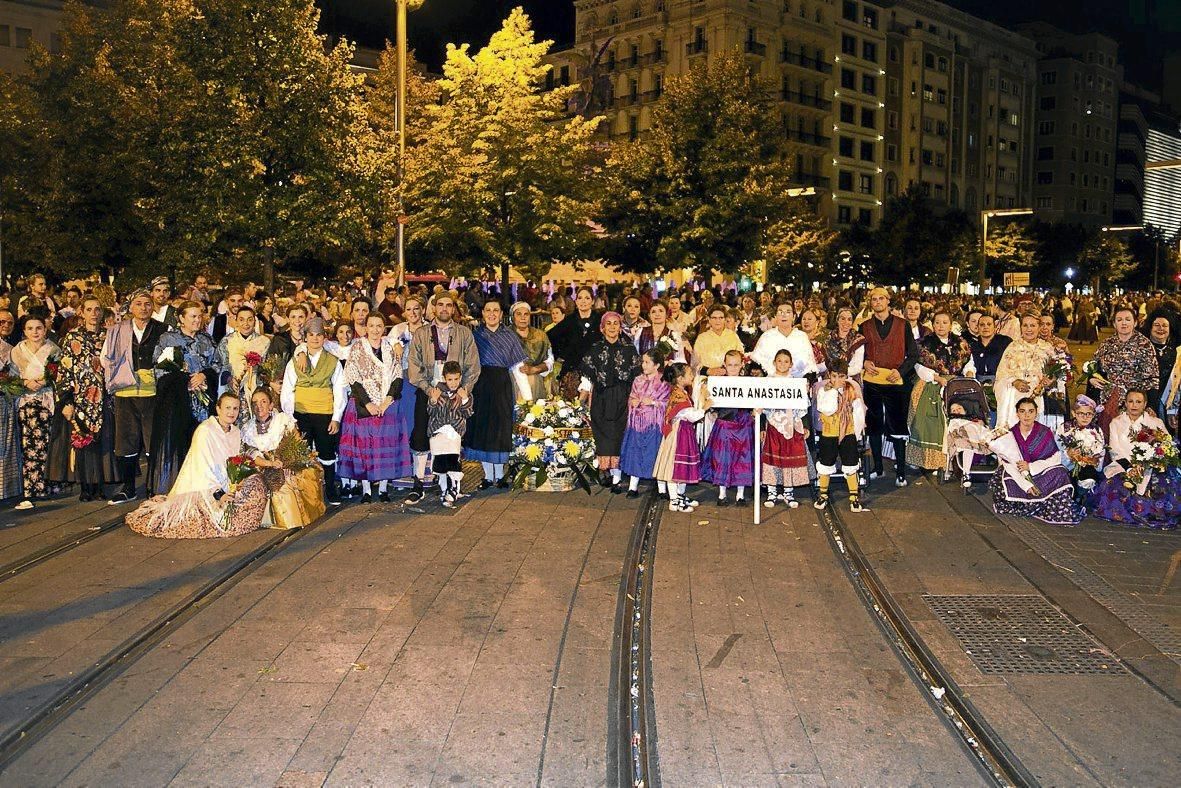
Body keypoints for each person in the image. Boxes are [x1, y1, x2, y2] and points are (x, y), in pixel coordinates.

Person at [126, 393, 277, 538]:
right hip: (205, 489)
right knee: (214, 521)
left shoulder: (235, 432)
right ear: (218, 409)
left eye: (235, 408)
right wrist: (220, 495)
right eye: (227, 408)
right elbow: (204, 469)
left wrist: (268, 462)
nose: (231, 412)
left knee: (257, 483)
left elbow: (246, 451)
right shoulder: (205, 430)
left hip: (228, 484)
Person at [406, 293, 480, 502]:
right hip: (429, 392)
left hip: (454, 396)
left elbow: (473, 366)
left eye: (449, 305)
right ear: (434, 308)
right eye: (440, 305)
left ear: (454, 309)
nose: (444, 309)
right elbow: (414, 367)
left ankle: (449, 485)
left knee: (451, 439)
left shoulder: (464, 333)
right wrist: (429, 390)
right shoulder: (421, 334)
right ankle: (418, 483)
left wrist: (464, 389)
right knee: (420, 437)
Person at [148, 301, 219, 496]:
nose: (198, 320)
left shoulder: (207, 339)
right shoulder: (167, 339)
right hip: (176, 404)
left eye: (200, 316)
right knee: (177, 447)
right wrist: (183, 381)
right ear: (181, 318)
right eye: (193, 316)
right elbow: (159, 370)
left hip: (203, 404)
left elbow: (218, 365)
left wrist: (205, 375)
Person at [103, 288, 167, 503]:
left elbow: (171, 359)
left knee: (153, 442)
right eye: (138, 304)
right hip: (125, 393)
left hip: (153, 394)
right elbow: (106, 357)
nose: (143, 308)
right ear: (130, 307)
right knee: (126, 442)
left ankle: (153, 486)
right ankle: (128, 487)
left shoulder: (164, 330)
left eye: (147, 304)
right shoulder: (117, 330)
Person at [339, 313, 408, 503]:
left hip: (388, 405)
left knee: (386, 446)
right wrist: (368, 403)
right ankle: (367, 490)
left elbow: (397, 375)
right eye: (372, 326)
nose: (375, 330)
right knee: (365, 448)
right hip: (363, 405)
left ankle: (384, 488)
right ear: (366, 328)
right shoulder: (357, 348)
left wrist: (387, 400)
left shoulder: (390, 348)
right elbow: (353, 378)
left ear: (384, 328)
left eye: (379, 326)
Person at [1091, 389, 1181, 529]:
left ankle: (1153, 512)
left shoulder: (1155, 422)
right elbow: (1115, 450)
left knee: (1161, 485)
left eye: (1138, 402)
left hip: (1150, 466)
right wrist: (1130, 468)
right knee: (1117, 486)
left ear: (1145, 404)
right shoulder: (1116, 422)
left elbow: (1166, 446)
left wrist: (1151, 461)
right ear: (1125, 403)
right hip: (1123, 465)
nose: (1134, 405)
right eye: (1131, 401)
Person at [280, 318, 347, 505]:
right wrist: (290, 417)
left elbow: (339, 391)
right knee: (302, 452)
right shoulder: (295, 361)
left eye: (319, 335)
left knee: (327, 452)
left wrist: (336, 417)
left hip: (324, 413)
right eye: (311, 335)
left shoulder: (333, 361)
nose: (315, 339)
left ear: (324, 338)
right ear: (305, 337)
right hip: (301, 413)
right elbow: (287, 388)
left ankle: (330, 487)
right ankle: (303, 490)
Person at [987, 398, 1085, 526]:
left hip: (1041, 473)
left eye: (1030, 411)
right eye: (1022, 411)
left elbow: (1054, 458)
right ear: (1017, 413)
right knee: (1002, 473)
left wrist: (1031, 467)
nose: (1026, 415)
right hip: (1018, 475)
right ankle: (1029, 504)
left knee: (1061, 472)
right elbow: (1008, 463)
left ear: (1036, 413)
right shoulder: (1010, 434)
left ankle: (1044, 506)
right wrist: (1026, 485)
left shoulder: (1045, 432)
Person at [859, 287, 919, 487]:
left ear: (888, 300)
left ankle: (900, 472)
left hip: (895, 381)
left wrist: (900, 371)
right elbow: (859, 355)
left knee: (897, 425)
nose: (877, 302)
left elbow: (913, 355)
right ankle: (878, 467)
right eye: (874, 299)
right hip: (872, 382)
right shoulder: (864, 326)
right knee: (874, 425)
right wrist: (865, 362)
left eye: (881, 298)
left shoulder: (903, 325)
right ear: (870, 303)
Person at [466, 301, 524, 489]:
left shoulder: (510, 336)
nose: (492, 314)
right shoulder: (475, 336)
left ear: (501, 314)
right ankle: (486, 476)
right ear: (482, 313)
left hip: (502, 386)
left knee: (500, 428)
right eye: (488, 310)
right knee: (482, 428)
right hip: (480, 385)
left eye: (496, 310)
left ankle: (499, 476)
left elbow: (517, 368)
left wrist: (524, 395)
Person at [906, 311, 974, 471]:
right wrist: (938, 378)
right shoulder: (923, 343)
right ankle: (925, 460)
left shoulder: (961, 343)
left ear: (950, 324)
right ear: (933, 324)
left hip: (955, 384)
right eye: (937, 322)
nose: (941, 326)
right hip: (931, 384)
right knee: (927, 421)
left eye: (945, 322)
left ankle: (950, 461)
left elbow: (969, 362)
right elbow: (918, 366)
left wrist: (969, 374)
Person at [581, 312, 640, 492]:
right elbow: (587, 377)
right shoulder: (595, 349)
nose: (612, 327)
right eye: (609, 324)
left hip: (623, 398)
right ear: (602, 327)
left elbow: (637, 376)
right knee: (604, 436)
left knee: (619, 436)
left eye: (616, 323)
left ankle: (617, 479)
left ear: (620, 327)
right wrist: (581, 401)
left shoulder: (629, 348)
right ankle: (608, 473)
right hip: (601, 398)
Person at [8, 316, 60, 510]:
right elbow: (9, 377)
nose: (35, 332)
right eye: (30, 328)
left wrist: (45, 381)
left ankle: (50, 485)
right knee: (29, 445)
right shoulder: (16, 351)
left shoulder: (53, 349)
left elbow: (58, 372)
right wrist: (25, 383)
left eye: (39, 328)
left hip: (46, 401)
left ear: (45, 330)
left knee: (47, 443)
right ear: (24, 331)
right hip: (26, 402)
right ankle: (31, 489)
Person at [1088, 307, 1159, 437]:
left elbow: (1153, 378)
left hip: (1135, 401)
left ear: (1135, 322)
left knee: (1133, 438)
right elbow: (1093, 368)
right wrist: (1091, 378)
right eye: (1119, 320)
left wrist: (1151, 406)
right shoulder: (1106, 344)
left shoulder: (1145, 344)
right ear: (1114, 324)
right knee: (1107, 436)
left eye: (1128, 319)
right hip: (1109, 399)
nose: (1124, 323)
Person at [701, 350, 755, 507]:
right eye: (730, 365)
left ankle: (740, 495)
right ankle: (722, 494)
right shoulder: (717, 382)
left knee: (743, 459)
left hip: (743, 423)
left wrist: (756, 409)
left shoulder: (749, 382)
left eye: (736, 365)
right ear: (724, 365)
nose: (733, 368)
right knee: (722, 459)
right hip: (724, 424)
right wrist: (710, 406)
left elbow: (755, 400)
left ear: (741, 365)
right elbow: (711, 402)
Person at [812, 359, 866, 513]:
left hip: (848, 431)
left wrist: (857, 431)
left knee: (851, 463)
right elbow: (826, 409)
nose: (837, 380)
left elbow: (858, 411)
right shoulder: (823, 390)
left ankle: (854, 497)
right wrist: (833, 392)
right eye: (834, 376)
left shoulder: (852, 389)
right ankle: (823, 494)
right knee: (826, 463)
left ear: (846, 376)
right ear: (829, 375)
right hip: (829, 432)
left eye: (841, 376)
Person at [653, 362, 706, 513]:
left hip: (683, 433)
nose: (692, 376)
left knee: (682, 464)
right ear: (680, 378)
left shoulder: (681, 392)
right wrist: (705, 407)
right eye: (689, 374)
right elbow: (692, 416)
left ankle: (680, 495)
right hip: (677, 434)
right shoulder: (678, 396)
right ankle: (674, 500)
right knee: (673, 466)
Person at [761, 349, 810, 509]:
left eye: (786, 361)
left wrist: (806, 425)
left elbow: (803, 405)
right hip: (773, 424)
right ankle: (772, 492)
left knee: (789, 457)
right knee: (772, 458)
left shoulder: (796, 383)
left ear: (791, 364)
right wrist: (762, 426)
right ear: (774, 362)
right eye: (779, 361)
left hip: (792, 423)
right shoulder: (767, 382)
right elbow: (760, 405)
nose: (782, 364)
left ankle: (789, 493)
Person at [619, 350, 670, 499]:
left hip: (654, 424)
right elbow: (632, 396)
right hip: (637, 423)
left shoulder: (663, 383)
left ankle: (662, 488)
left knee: (655, 454)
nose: (643, 365)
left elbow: (667, 403)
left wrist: (654, 402)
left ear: (657, 365)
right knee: (636, 453)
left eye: (647, 362)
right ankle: (633, 487)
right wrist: (633, 401)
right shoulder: (638, 380)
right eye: (643, 362)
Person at [428, 360, 475, 508]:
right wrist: (433, 401)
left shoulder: (463, 393)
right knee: (440, 461)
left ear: (460, 378)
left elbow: (468, 413)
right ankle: (444, 489)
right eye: (450, 379)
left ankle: (454, 489)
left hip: (454, 431)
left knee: (453, 460)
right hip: (438, 431)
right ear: (444, 378)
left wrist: (465, 399)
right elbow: (430, 412)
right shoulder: (437, 391)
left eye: (456, 379)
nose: (453, 383)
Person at [994, 315, 1054, 430]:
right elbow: (1001, 373)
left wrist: (1050, 380)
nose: (1028, 329)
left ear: (1039, 327)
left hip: (1037, 396)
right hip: (1014, 397)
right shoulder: (1012, 347)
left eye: (1032, 325)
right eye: (1025, 325)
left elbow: (1055, 372)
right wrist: (1014, 381)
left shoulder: (1047, 348)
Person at [217, 305, 270, 423]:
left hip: (255, 391)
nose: (246, 323)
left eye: (250, 319)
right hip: (232, 390)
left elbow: (268, 369)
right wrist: (229, 378)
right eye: (241, 319)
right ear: (236, 321)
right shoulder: (227, 341)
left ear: (255, 321)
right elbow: (218, 364)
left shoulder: (264, 342)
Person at [547, 286, 602, 382]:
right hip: (572, 370)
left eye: (587, 298)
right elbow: (550, 337)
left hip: (597, 370)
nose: (583, 301)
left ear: (593, 301)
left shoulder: (601, 320)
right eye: (580, 298)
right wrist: (561, 354)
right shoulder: (569, 321)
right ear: (576, 301)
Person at [1056, 395, 1105, 503]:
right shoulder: (1065, 427)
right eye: (1081, 413)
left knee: (1088, 479)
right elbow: (1058, 448)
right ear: (1074, 413)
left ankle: (1080, 495)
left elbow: (1101, 450)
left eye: (1089, 414)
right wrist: (1068, 454)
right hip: (1068, 465)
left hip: (1087, 465)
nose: (1085, 417)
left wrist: (1094, 459)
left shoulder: (1096, 430)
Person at [510, 301, 553, 402]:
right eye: (519, 314)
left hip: (536, 384)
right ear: (513, 317)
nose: (523, 318)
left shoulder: (540, 335)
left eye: (526, 314)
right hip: (512, 383)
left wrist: (534, 369)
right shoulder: (506, 336)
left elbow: (550, 361)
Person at [1144, 315, 1175, 422]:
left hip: (1168, 403)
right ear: (1150, 328)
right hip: (1145, 401)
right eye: (1156, 325)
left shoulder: (1176, 352)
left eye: (1165, 325)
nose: (1161, 328)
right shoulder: (1141, 349)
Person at [824, 307, 866, 383]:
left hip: (850, 380)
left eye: (849, 319)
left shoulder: (858, 339)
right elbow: (825, 362)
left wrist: (838, 375)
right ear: (837, 320)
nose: (846, 322)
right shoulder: (828, 338)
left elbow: (857, 367)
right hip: (829, 379)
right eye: (843, 318)